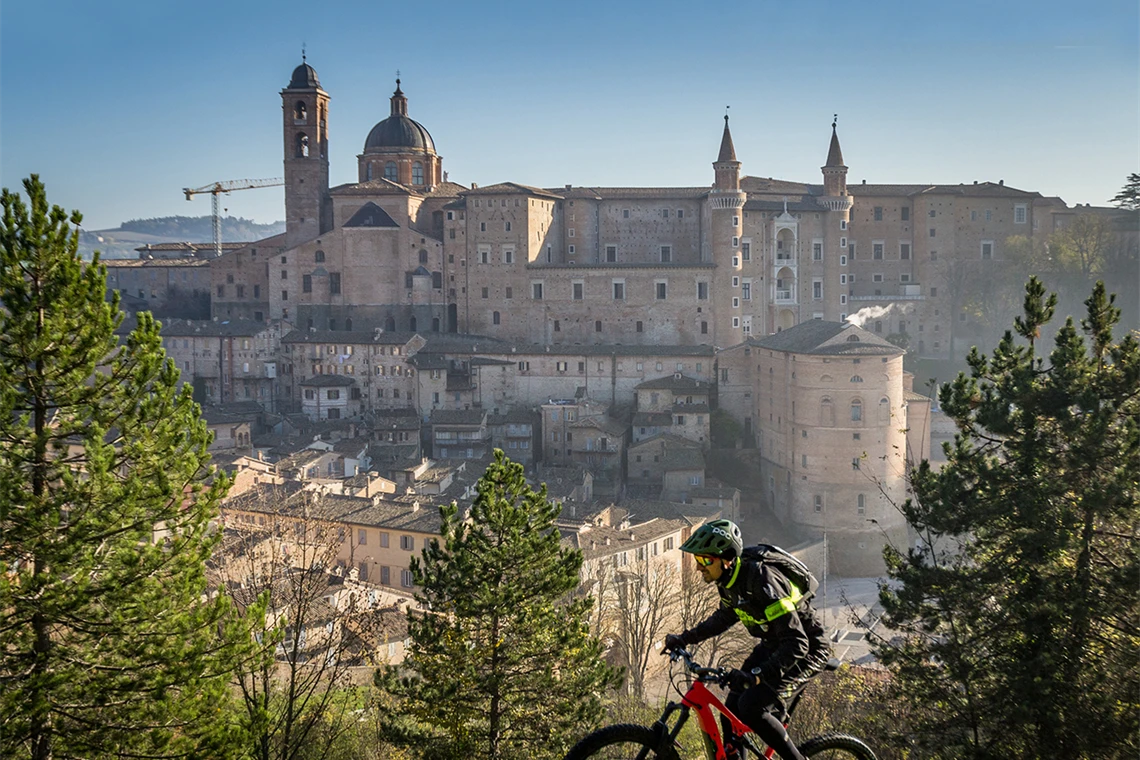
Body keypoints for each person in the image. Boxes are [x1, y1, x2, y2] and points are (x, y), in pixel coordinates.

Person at [663, 519, 831, 760]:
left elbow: (797, 642)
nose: (699, 567)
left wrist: (757, 676)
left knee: (751, 707)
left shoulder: (762, 581)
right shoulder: (728, 582)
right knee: (730, 711)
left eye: (706, 560)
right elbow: (724, 617)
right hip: (775, 646)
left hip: (807, 651)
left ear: (727, 559)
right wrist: (684, 638)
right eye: (697, 559)